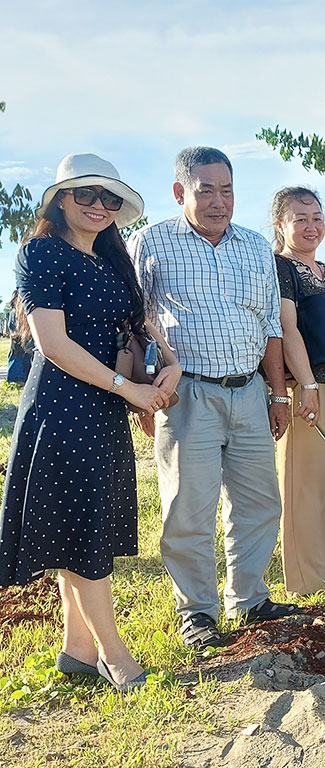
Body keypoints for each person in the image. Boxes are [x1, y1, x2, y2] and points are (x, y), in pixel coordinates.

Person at [0, 153, 180, 691]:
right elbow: (53, 345)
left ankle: (77, 649)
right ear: (59, 200)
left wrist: (164, 367)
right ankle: (114, 655)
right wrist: (130, 389)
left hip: (104, 407)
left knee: (80, 525)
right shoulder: (41, 253)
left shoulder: (113, 262)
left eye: (109, 198)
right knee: (81, 530)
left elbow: (130, 337)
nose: (99, 206)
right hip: (60, 406)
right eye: (86, 195)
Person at [129, 146, 297, 649]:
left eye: (227, 190)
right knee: (188, 507)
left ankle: (249, 599)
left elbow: (269, 324)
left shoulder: (253, 247)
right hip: (186, 396)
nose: (219, 202)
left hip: (248, 391)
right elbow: (133, 323)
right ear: (181, 191)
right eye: (206, 191)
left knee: (260, 501)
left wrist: (279, 393)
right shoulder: (150, 243)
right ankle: (197, 613)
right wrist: (141, 394)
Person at [270, 187, 325, 595]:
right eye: (300, 218)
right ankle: (306, 580)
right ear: (280, 225)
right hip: (309, 386)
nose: (311, 226)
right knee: (303, 482)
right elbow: (287, 329)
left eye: (317, 217)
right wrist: (306, 384)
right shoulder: (281, 268)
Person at [6, 291, 33, 385]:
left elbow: (10, 327)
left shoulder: (11, 313)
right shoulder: (21, 312)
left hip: (16, 338)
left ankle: (15, 378)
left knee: (16, 355)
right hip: (25, 336)